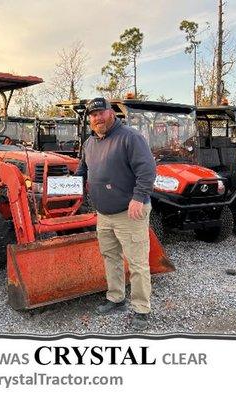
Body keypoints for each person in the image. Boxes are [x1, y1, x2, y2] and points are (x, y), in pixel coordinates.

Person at [76, 97, 156, 330]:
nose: (98, 118)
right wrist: (63, 187)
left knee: (137, 261)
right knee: (110, 257)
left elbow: (147, 170)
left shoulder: (130, 138)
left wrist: (139, 197)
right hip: (104, 213)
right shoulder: (89, 143)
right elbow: (83, 170)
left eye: (101, 113)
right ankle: (116, 298)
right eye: (93, 115)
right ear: (89, 120)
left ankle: (142, 309)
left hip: (129, 212)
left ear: (111, 113)